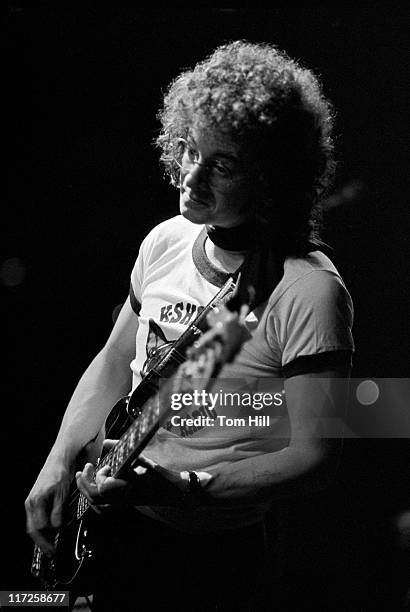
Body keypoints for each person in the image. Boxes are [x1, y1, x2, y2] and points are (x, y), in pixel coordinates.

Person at [25, 41, 354, 611]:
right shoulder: (165, 240)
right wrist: (58, 459)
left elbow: (315, 457)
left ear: (272, 176)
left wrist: (186, 490)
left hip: (218, 557)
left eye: (222, 165)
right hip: (117, 527)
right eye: (189, 150)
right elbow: (112, 364)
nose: (192, 177)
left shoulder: (309, 288)